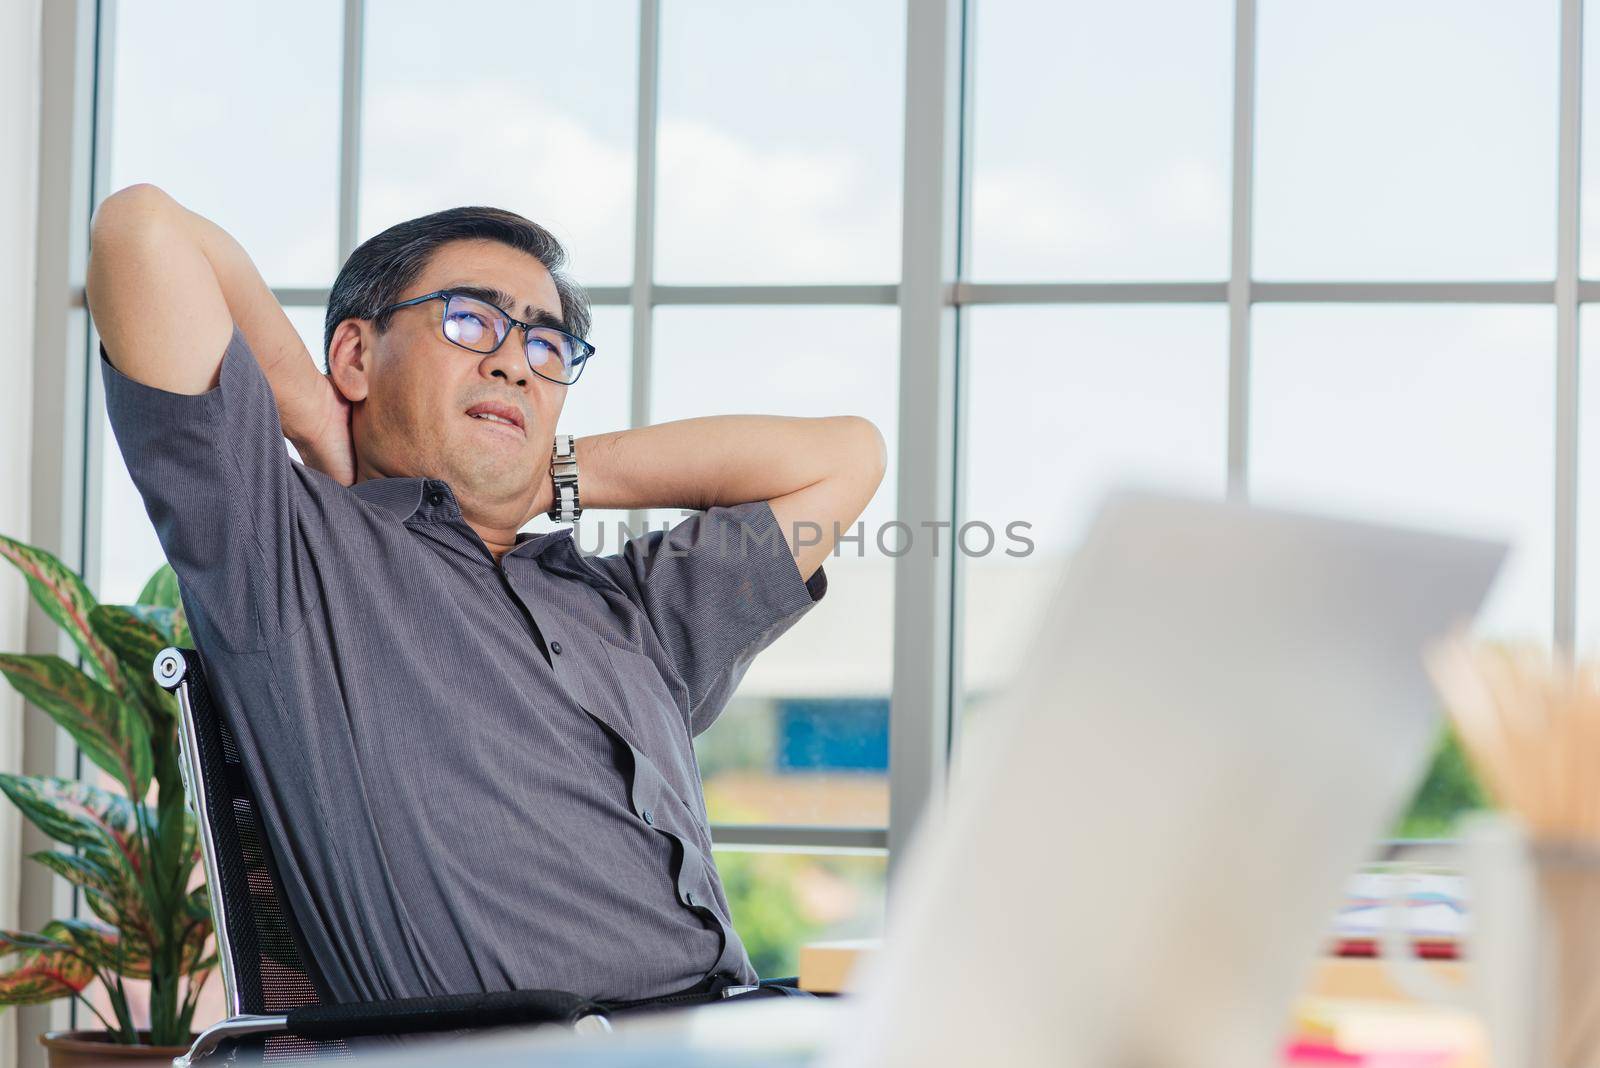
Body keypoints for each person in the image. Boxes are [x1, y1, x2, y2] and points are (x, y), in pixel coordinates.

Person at [84, 183, 886, 1007]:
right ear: (358, 356)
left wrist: (554, 473)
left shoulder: (632, 607)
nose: (513, 361)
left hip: (730, 1027)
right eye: (470, 319)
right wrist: (317, 418)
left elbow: (846, 458)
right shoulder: (288, 550)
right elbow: (140, 231)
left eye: (547, 348)